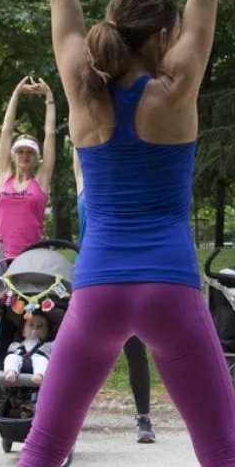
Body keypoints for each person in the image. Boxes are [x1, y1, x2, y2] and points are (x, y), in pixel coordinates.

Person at [0, 0, 235, 467]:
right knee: (222, 456)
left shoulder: (85, 96)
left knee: (45, 450)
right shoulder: (176, 95)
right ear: (166, 38)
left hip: (99, 288)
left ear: (113, 30)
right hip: (170, 286)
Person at [74, 144, 158, 444]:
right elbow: (81, 138)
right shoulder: (84, 182)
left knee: (135, 349)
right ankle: (69, 415)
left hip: (127, 274)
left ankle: (144, 418)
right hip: (89, 277)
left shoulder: (127, 187)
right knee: (79, 350)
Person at [0, 77, 57, 263]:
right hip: (2, 258)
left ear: (36, 158)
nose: (24, 155)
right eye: (20, 151)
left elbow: (50, 133)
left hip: (33, 258)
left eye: (30, 152)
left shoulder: (40, 182)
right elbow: (6, 131)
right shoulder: (4, 177)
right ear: (13, 155)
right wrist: (16, 93)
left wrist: (49, 97)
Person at [4, 312, 54, 385]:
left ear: (48, 333)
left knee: (42, 360)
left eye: (40, 326)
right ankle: (11, 371)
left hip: (39, 359)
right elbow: (10, 352)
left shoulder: (48, 345)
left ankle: (39, 374)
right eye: (31, 325)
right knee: (11, 357)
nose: (35, 327)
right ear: (23, 332)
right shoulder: (17, 344)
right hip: (20, 360)